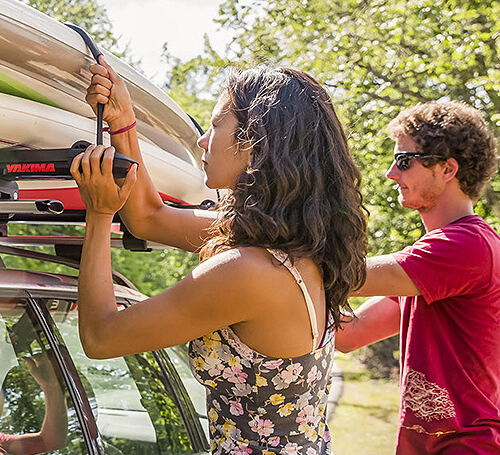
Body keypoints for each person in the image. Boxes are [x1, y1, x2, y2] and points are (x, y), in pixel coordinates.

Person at [70, 58, 368, 455]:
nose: (202, 141)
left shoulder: (247, 273)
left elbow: (100, 336)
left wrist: (99, 214)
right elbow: (149, 218)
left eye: (214, 126)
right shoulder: (296, 252)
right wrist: (123, 123)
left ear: (254, 141)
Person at [335, 100, 500, 454]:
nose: (390, 174)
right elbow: (350, 335)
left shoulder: (468, 246)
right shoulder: (429, 266)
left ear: (447, 169)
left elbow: (341, 274)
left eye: (403, 161)